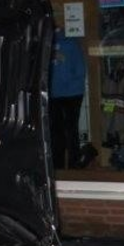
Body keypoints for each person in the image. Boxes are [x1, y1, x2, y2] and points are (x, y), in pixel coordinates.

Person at [49, 29, 87, 169]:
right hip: (55, 93)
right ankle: (60, 166)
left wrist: (63, 61)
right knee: (57, 131)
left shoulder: (70, 43)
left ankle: (72, 165)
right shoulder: (49, 43)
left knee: (68, 130)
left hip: (71, 93)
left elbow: (80, 71)